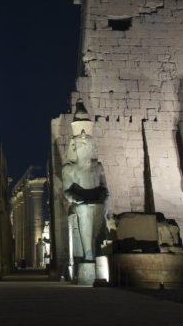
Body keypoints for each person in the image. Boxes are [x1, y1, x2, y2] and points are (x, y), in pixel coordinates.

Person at [62, 100, 108, 261]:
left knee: (100, 211)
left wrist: (103, 197)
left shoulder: (98, 166)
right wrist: (75, 198)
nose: (85, 147)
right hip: (80, 204)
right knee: (84, 211)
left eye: (87, 145)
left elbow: (104, 188)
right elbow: (67, 191)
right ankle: (88, 253)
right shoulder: (70, 169)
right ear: (74, 148)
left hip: (97, 202)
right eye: (81, 145)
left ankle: (98, 248)